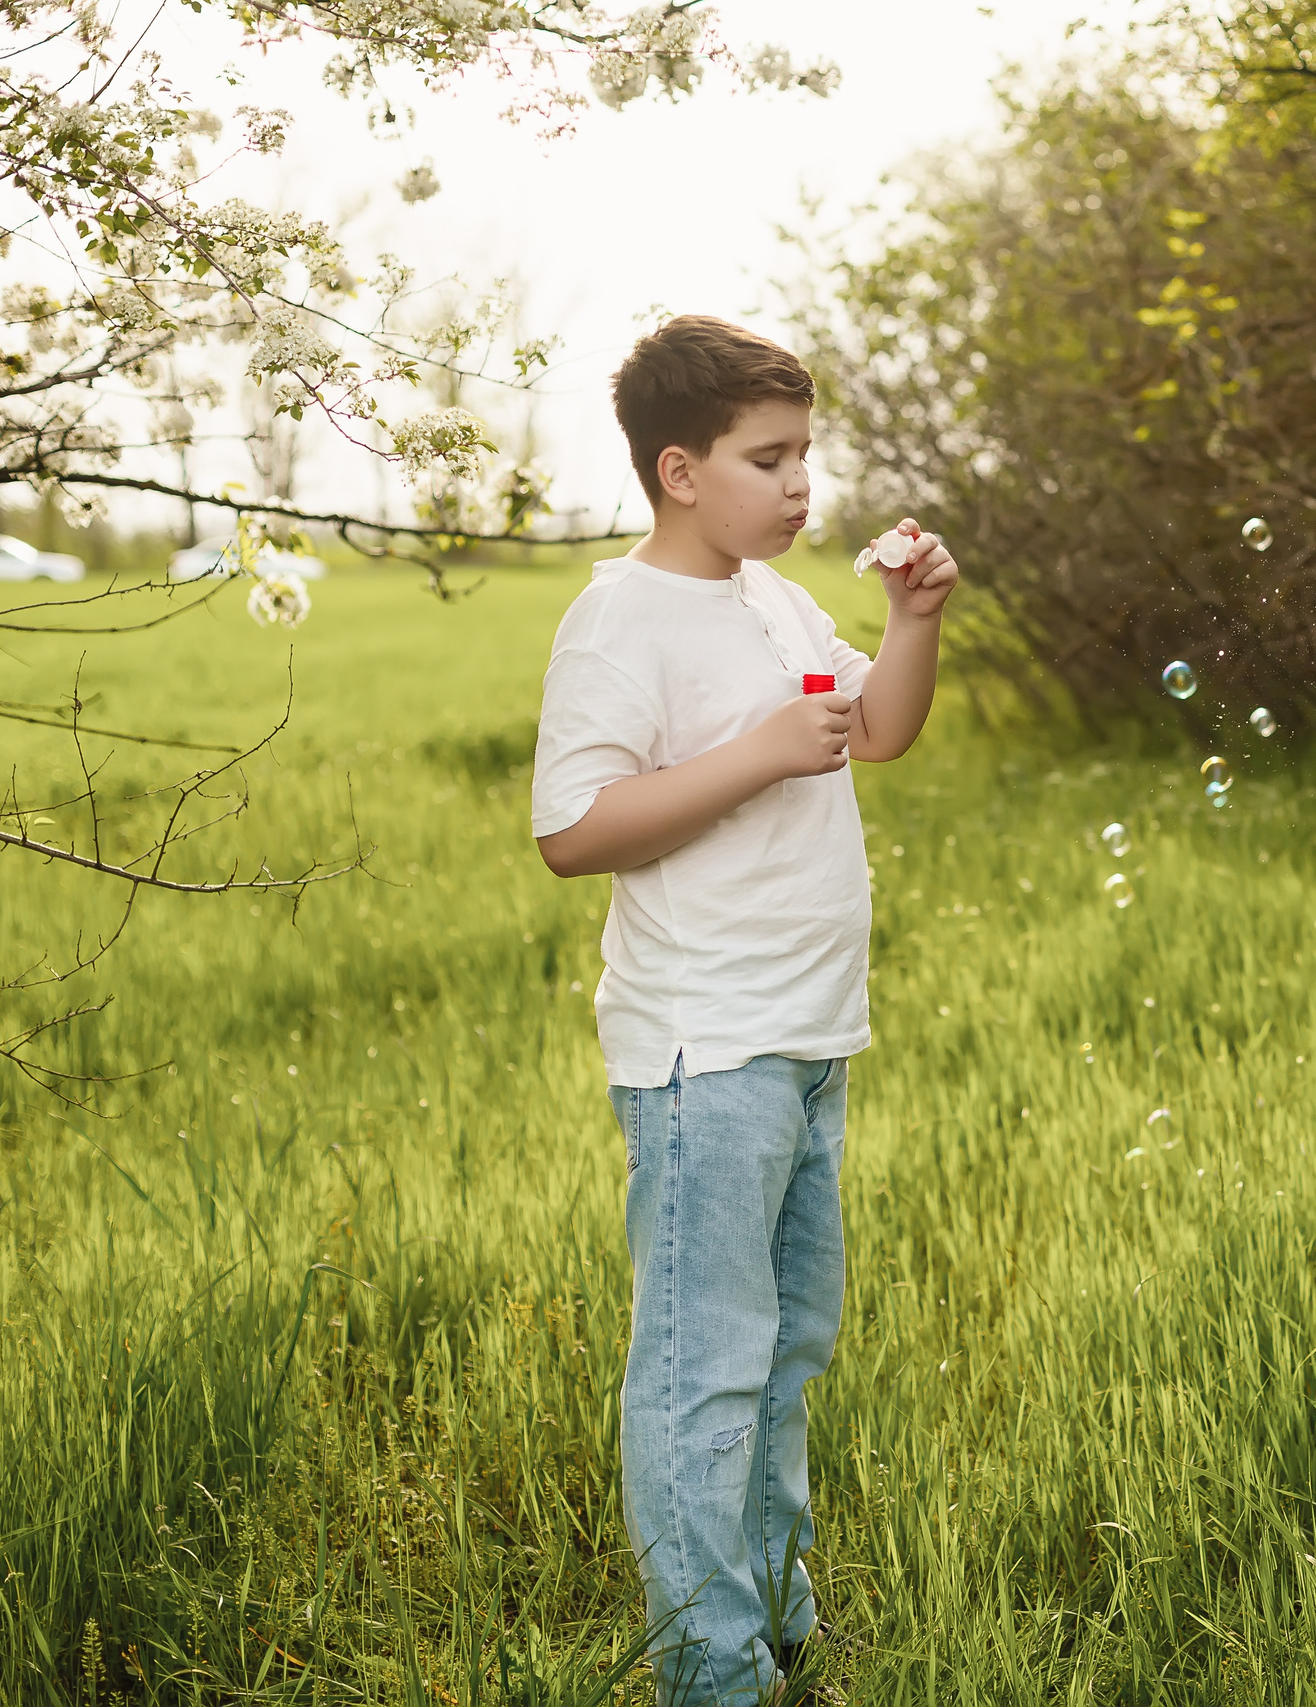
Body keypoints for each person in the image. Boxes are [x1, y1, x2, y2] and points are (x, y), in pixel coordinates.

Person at [530, 315, 957, 1704]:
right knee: (702, 1367)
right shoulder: (621, 618)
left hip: (809, 1033)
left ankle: (778, 1623)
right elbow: (573, 829)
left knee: (785, 1353)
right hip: (703, 1049)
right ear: (678, 469)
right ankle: (710, 1670)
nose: (799, 485)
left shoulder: (776, 603)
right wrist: (756, 750)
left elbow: (878, 731)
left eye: (805, 457)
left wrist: (912, 622)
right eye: (767, 459)